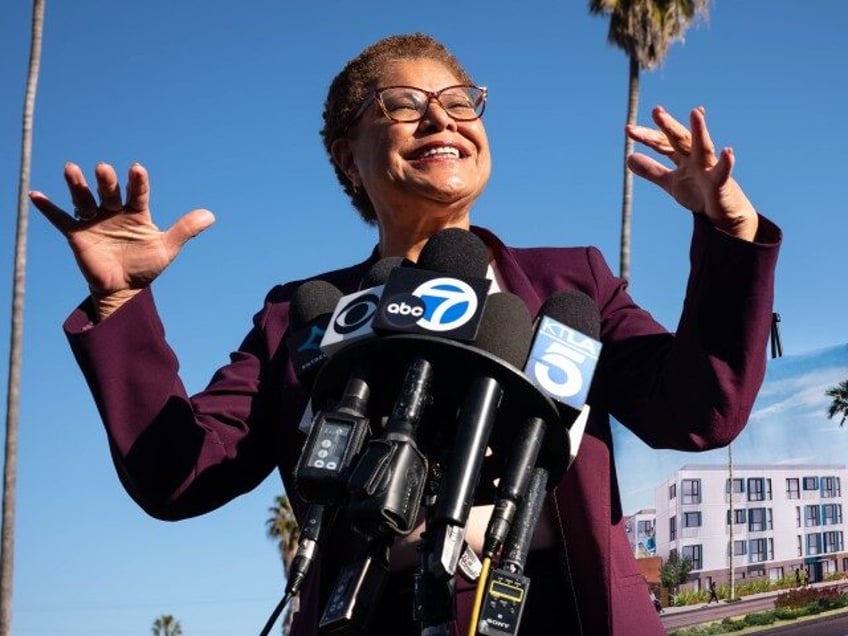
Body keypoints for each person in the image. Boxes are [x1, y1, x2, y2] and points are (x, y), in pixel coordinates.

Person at [30, 32, 781, 636]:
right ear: (345, 157)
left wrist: (731, 233)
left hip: (563, 610)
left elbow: (698, 411)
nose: (442, 119)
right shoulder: (302, 314)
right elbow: (178, 475)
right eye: (403, 103)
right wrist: (121, 305)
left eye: (461, 102)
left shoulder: (570, 285)